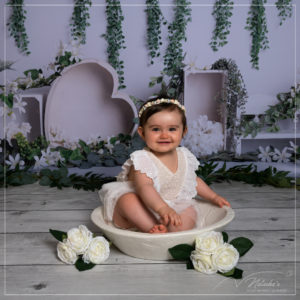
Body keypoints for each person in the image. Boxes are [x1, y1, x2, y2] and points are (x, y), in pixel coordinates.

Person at [99, 98, 230, 234]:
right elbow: (145, 187)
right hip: (143, 205)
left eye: (172, 129)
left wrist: (213, 197)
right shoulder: (142, 159)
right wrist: (162, 209)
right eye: (156, 129)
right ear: (142, 132)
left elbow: (193, 181)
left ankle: (172, 232)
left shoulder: (184, 156)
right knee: (128, 201)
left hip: (174, 205)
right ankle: (151, 228)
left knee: (189, 211)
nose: (164, 135)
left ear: (183, 131)